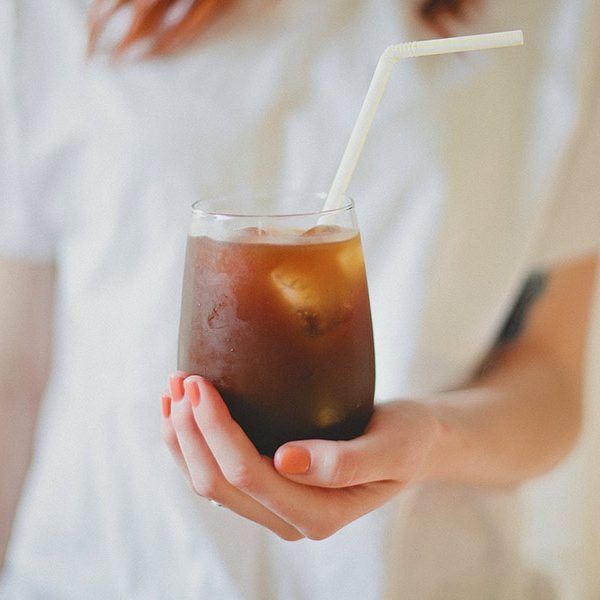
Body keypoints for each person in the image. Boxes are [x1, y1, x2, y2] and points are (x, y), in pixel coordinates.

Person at [1, 0, 598, 598]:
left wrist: (432, 439)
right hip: (103, 564)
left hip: (424, 575)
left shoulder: (559, 18)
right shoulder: (46, 15)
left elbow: (548, 369)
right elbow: (15, 372)